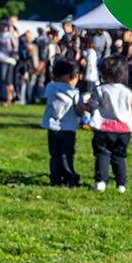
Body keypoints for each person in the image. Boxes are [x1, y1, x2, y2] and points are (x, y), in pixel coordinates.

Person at [85, 55, 132, 193]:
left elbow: (93, 105)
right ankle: (121, 185)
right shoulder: (128, 92)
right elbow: (131, 108)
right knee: (119, 156)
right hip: (124, 129)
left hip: (104, 127)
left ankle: (101, 182)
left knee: (102, 154)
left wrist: (86, 105)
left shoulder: (101, 89)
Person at [41, 57, 86, 187]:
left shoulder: (50, 88)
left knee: (54, 154)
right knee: (67, 154)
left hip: (52, 127)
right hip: (68, 128)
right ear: (73, 77)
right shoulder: (74, 92)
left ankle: (55, 178)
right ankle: (69, 177)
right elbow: (79, 110)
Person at [0, 18, 19, 104]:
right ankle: (2, 96)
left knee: (8, 79)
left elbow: (15, 47)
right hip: (1, 59)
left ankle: (9, 97)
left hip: (9, 59)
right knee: (1, 78)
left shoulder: (10, 35)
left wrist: (12, 54)